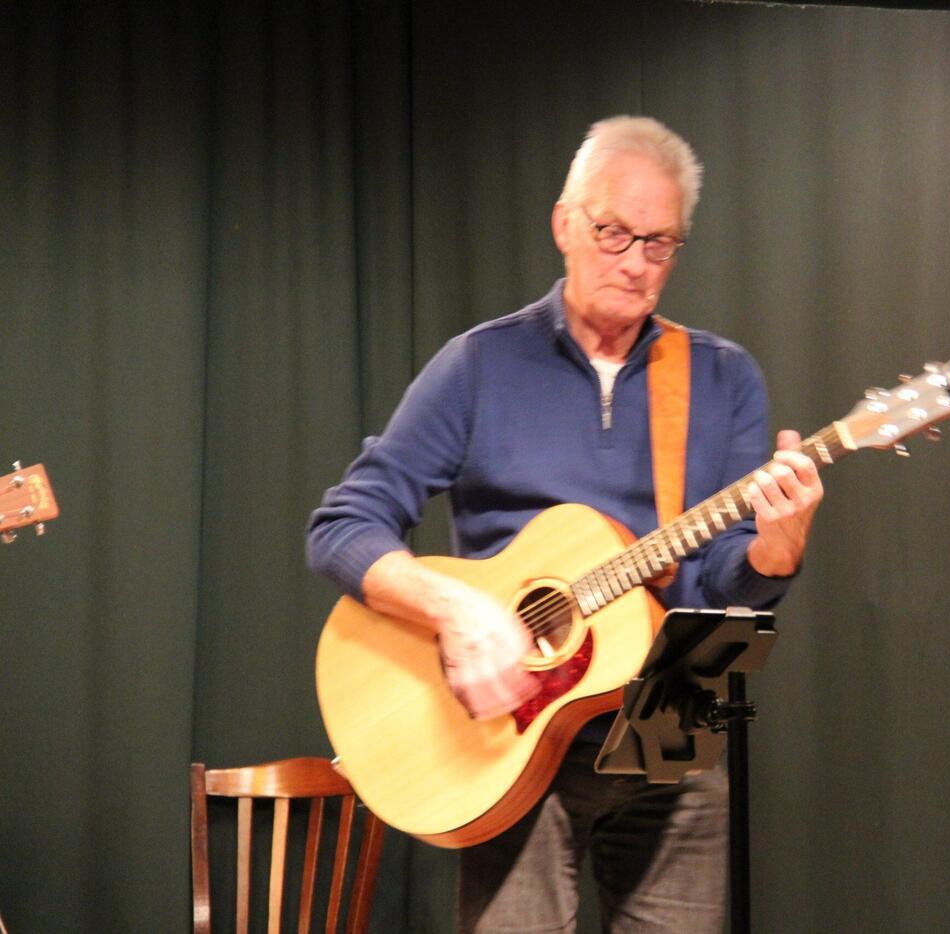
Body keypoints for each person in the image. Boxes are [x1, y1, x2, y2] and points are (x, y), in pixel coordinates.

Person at [306, 115, 823, 932]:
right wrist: (457, 611)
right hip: (511, 737)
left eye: (660, 244)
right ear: (564, 224)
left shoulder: (722, 377)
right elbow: (344, 524)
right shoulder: (480, 365)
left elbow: (729, 584)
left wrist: (776, 549)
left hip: (673, 712)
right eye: (614, 232)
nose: (636, 262)